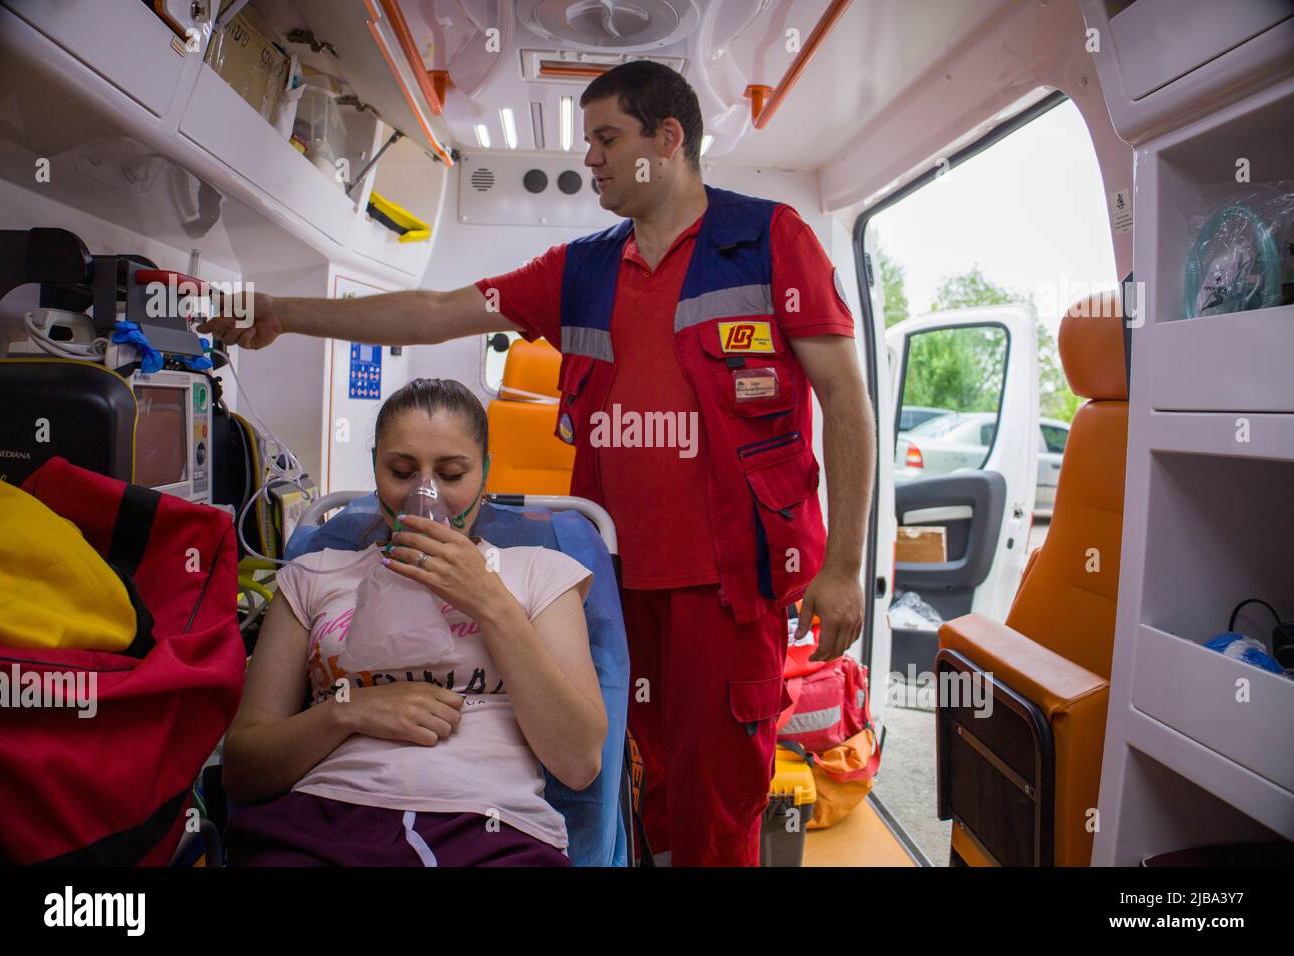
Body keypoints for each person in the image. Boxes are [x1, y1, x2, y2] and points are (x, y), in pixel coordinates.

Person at [202, 61, 874, 866]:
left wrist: (843, 568)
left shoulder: (770, 242)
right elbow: (434, 310)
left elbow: (845, 400)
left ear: (669, 140)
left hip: (723, 593)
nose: (589, 157)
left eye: (606, 138)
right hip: (615, 586)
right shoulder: (581, 270)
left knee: (718, 801)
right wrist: (286, 313)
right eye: (587, 140)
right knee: (641, 788)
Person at [222, 378, 606, 866]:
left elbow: (579, 763)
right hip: (325, 821)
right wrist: (348, 710)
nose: (424, 494)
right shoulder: (313, 577)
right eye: (402, 471)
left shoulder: (538, 573)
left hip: (491, 829)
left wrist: (489, 601)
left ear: (483, 476)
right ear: (376, 472)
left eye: (451, 474)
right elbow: (243, 770)